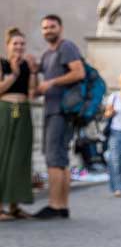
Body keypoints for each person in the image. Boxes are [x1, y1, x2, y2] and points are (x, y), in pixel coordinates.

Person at [33, 15, 85, 220]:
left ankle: (55, 205)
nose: (48, 31)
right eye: (44, 28)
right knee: (60, 159)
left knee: (54, 158)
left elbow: (78, 73)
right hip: (52, 109)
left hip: (61, 111)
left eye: (52, 27)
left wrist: (52, 82)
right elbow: (39, 86)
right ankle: (62, 206)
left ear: (60, 28)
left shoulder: (67, 47)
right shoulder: (47, 55)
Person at [0, 27, 37, 220]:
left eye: (22, 43)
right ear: (8, 45)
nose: (19, 47)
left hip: (23, 111)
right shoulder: (3, 64)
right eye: (15, 43)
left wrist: (32, 72)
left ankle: (15, 205)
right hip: (6, 110)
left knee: (20, 157)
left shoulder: (26, 65)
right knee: (3, 154)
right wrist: (13, 74)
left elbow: (32, 93)